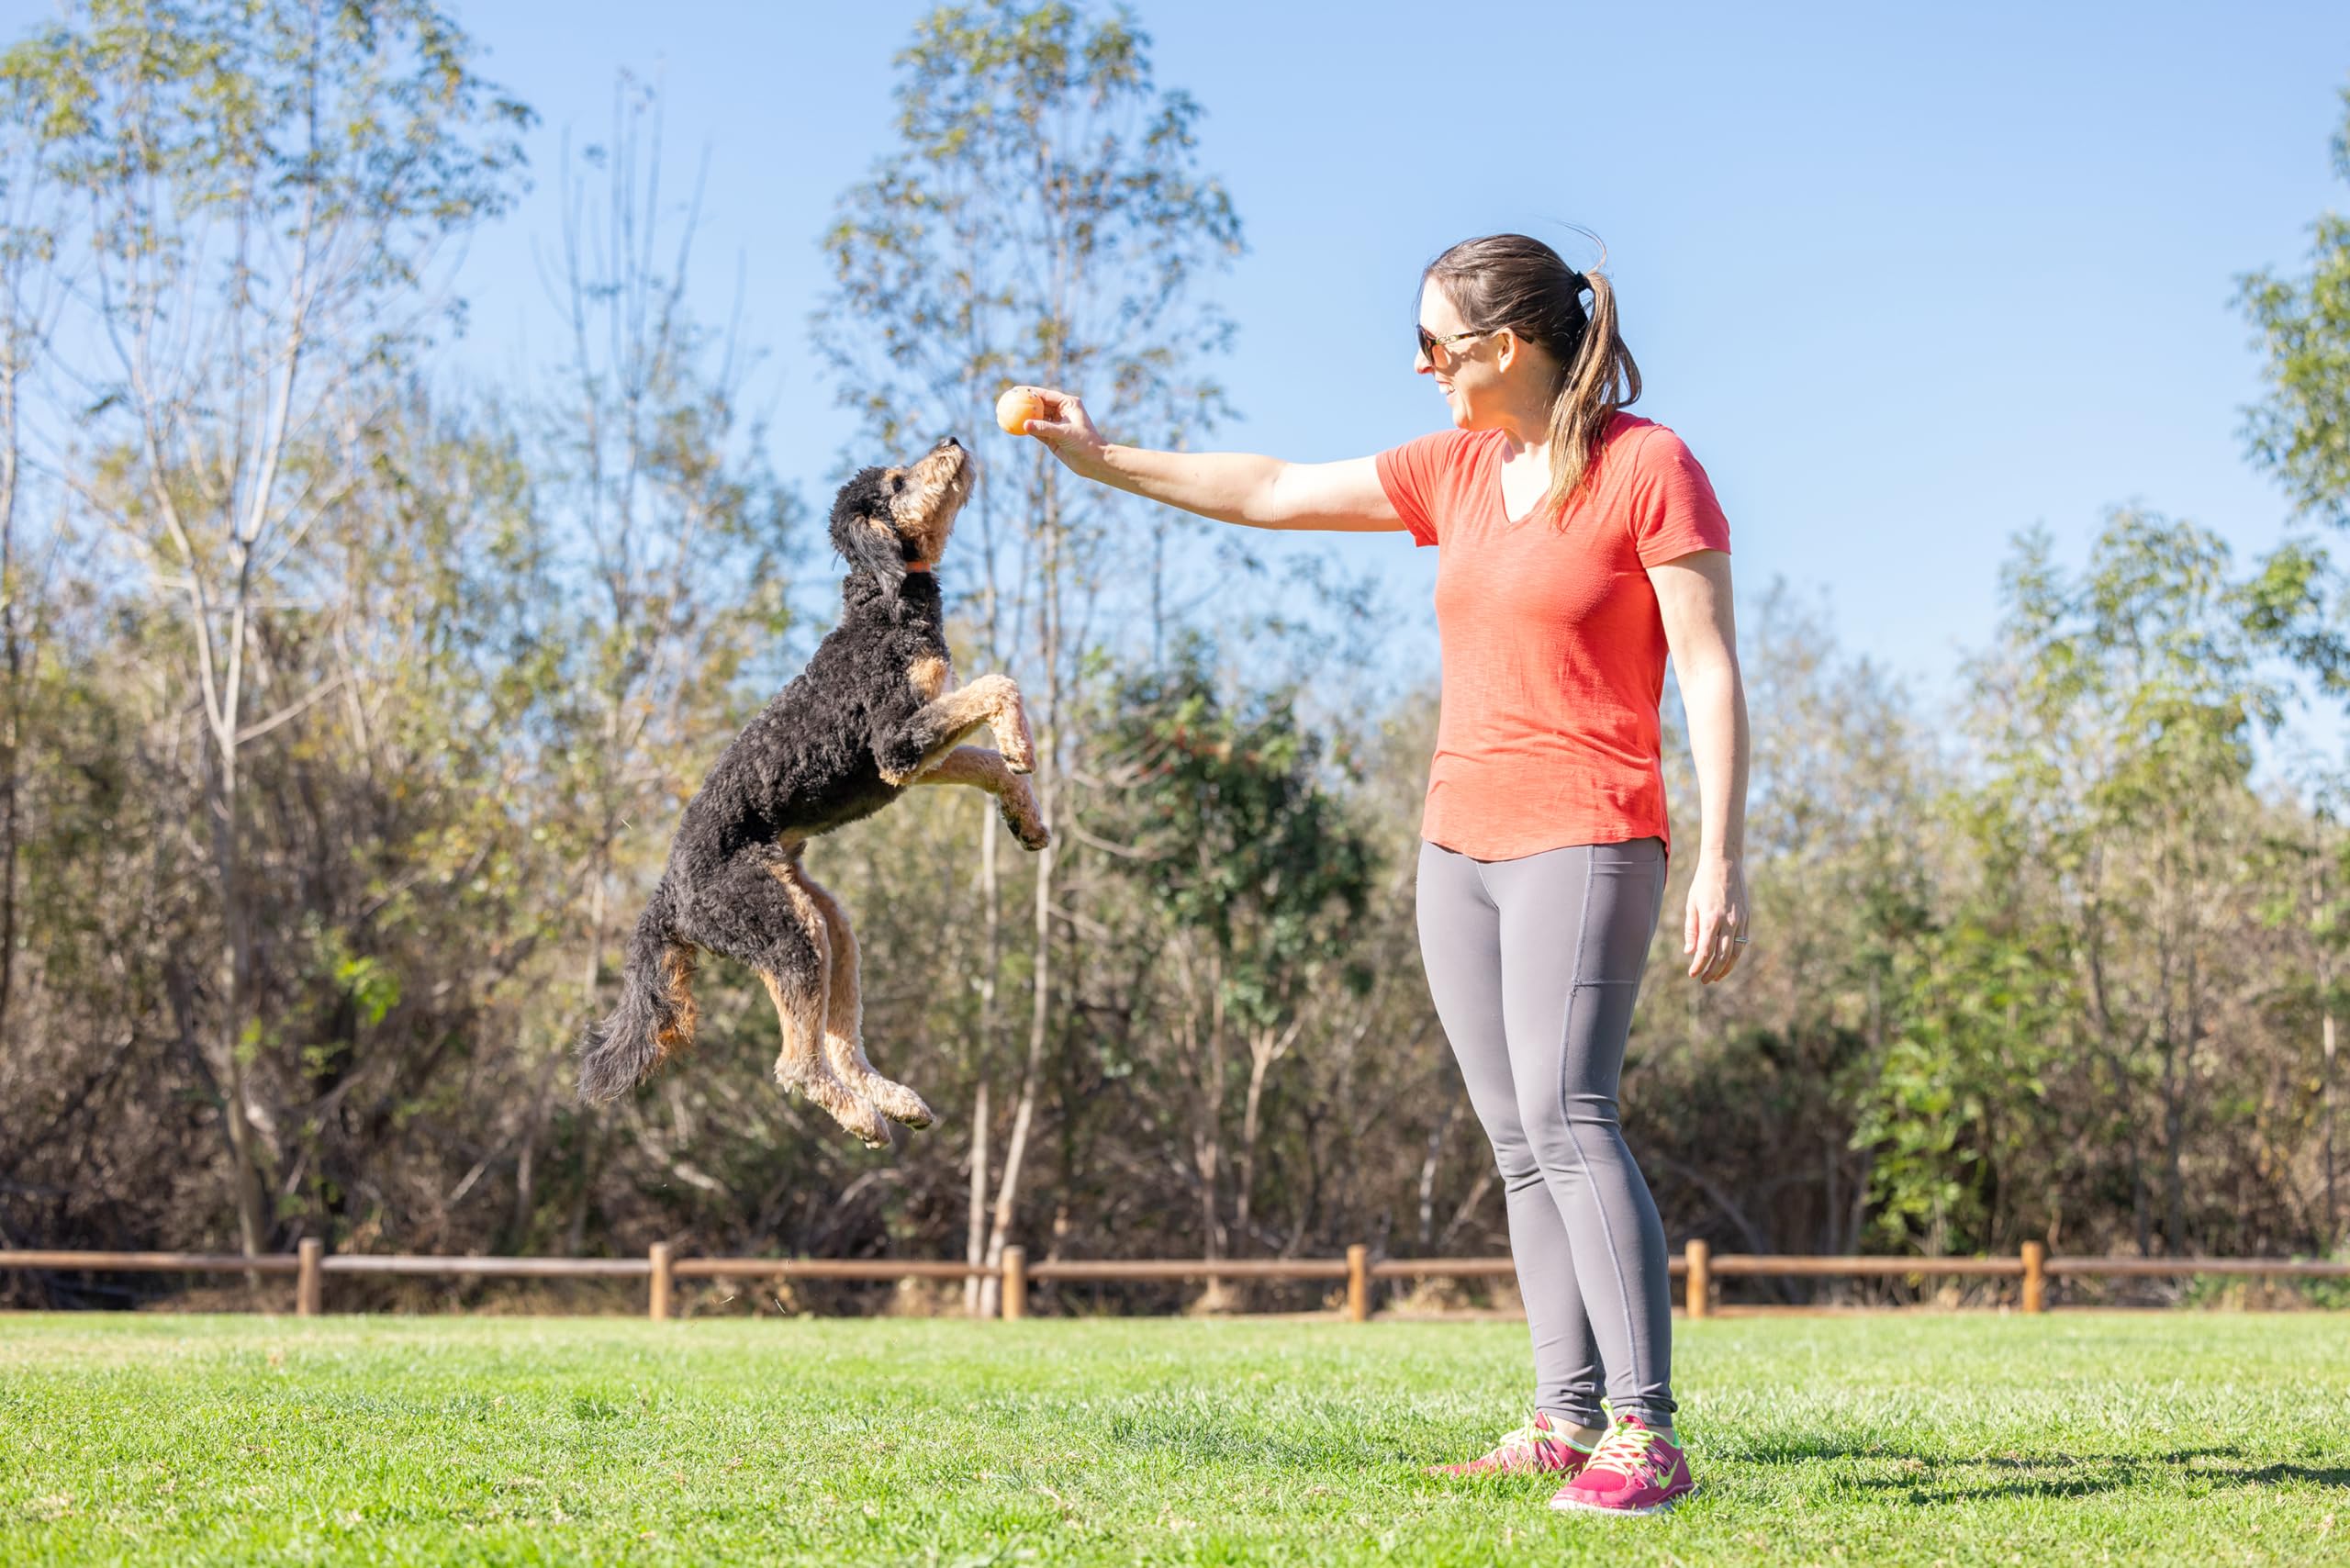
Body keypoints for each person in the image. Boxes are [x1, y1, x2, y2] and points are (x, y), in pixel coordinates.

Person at [1013, 230, 1749, 1518]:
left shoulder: (1649, 467)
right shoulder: (1458, 470)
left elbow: (1710, 668)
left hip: (1589, 828)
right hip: (1456, 843)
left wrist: (1726, 854)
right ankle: (1562, 1420)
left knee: (1574, 1115)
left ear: (1503, 349)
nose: (1420, 370)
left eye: (1432, 346)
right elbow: (1275, 489)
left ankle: (1648, 1433)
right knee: (1521, 1145)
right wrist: (1103, 456)